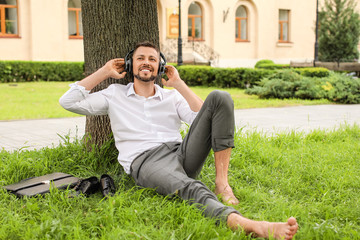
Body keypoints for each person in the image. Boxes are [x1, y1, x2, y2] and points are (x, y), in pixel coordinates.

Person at [59, 41, 298, 239]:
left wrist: (179, 84)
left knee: (220, 98)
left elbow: (206, 117)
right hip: (147, 161)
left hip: (181, 152)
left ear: (160, 67)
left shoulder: (171, 97)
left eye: (152, 59)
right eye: (140, 58)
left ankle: (222, 183)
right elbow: (68, 102)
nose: (146, 63)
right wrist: (104, 72)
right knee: (190, 187)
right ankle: (249, 225)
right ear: (131, 64)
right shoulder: (114, 94)